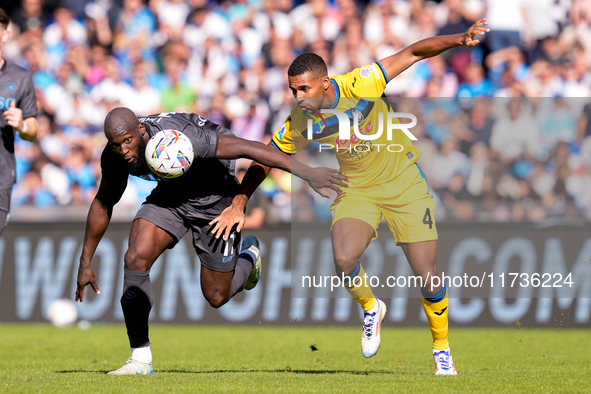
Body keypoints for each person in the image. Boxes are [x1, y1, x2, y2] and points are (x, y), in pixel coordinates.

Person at [212, 19, 490, 376]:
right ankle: (372, 308)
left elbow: (415, 52)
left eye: (303, 89)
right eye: (293, 91)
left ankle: (441, 350)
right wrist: (240, 201)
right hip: (356, 188)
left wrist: (459, 39)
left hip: (404, 183)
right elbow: (268, 158)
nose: (298, 98)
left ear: (325, 83)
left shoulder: (363, 82)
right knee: (344, 258)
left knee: (427, 273)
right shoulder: (302, 118)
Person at [75, 107, 345, 375]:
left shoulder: (185, 138)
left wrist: (307, 172)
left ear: (141, 131)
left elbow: (250, 148)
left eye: (128, 141)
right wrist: (85, 261)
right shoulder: (114, 158)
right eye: (115, 144)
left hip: (215, 197)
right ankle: (140, 359)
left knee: (216, 296)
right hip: (172, 195)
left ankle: (249, 257)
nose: (123, 149)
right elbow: (103, 203)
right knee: (135, 257)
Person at [0, 8, 39, 236]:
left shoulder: (21, 77)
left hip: (2, 175)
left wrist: (21, 124)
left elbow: (32, 131)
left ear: (6, 34)